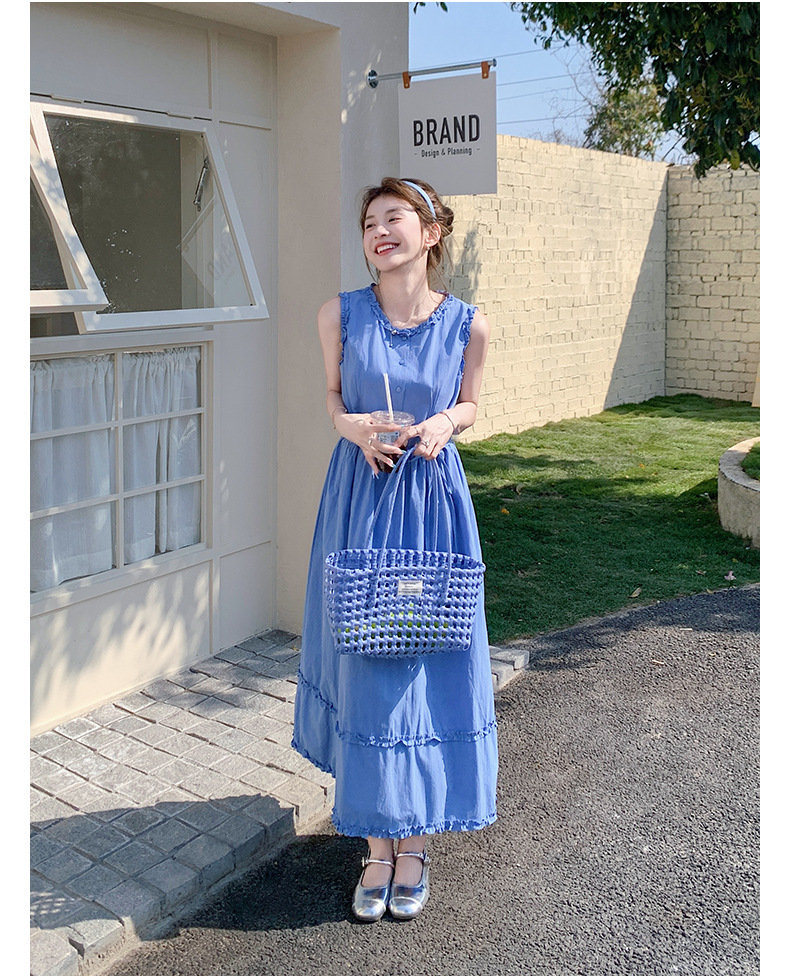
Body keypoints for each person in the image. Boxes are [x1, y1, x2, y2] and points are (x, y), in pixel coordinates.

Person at [291, 176, 498, 922]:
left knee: (424, 661)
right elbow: (332, 399)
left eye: (395, 218)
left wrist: (446, 421)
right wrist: (349, 427)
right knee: (368, 663)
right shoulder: (338, 314)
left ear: (430, 232)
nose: (380, 232)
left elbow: (469, 403)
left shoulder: (469, 324)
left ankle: (415, 847)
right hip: (360, 500)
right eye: (370, 222)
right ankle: (377, 848)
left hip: (431, 505)